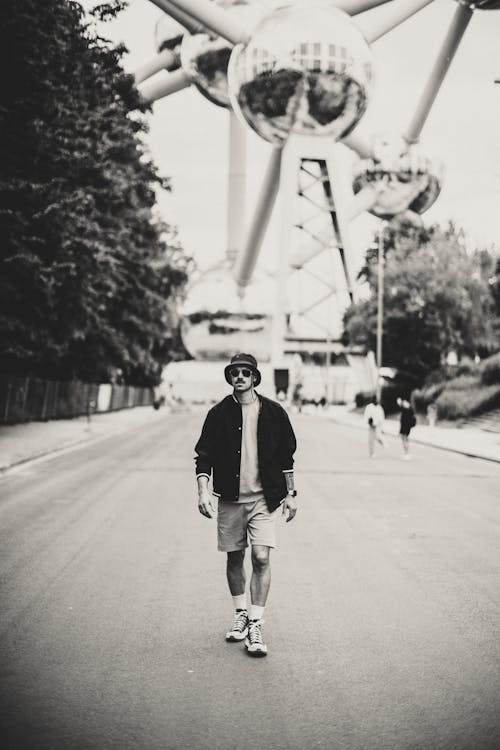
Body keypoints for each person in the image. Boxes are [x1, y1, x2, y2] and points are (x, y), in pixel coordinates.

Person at [194, 353, 297, 658]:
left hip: (264, 499)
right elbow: (204, 457)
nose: (240, 376)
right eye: (235, 372)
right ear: (230, 378)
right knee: (235, 557)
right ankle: (241, 613)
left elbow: (286, 457)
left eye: (245, 372)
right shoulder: (218, 414)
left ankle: (255, 623)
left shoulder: (274, 412)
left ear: (254, 378)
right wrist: (203, 491)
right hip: (229, 499)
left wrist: (292, 494)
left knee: (262, 557)